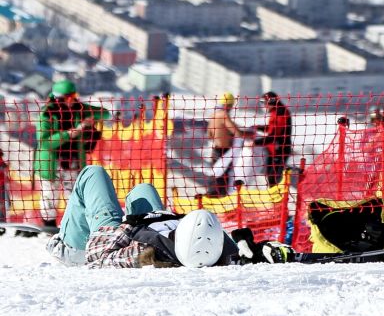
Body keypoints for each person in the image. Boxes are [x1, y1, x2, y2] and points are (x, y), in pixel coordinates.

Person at [45, 164, 238, 268]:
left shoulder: (146, 250)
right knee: (144, 190)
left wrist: (126, 225)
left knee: (92, 173)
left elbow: (100, 258)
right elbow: (236, 251)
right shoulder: (219, 248)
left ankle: (67, 246)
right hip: (145, 229)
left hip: (99, 243)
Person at [33, 80, 111, 228]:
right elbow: (45, 142)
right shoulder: (46, 114)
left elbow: (105, 113)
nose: (72, 100)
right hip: (50, 163)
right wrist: (71, 133)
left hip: (73, 159)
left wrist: (92, 119)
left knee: (74, 195)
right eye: (69, 97)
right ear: (59, 98)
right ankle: (49, 226)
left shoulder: (80, 108)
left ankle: (74, 226)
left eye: (74, 96)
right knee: (49, 196)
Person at [207, 92, 253, 196]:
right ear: (228, 105)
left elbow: (210, 135)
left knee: (216, 176)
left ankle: (212, 197)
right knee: (222, 179)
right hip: (224, 151)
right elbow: (237, 132)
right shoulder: (224, 115)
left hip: (215, 150)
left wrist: (222, 135)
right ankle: (219, 200)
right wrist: (251, 134)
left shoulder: (213, 115)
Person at [254, 92, 292, 187]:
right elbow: (272, 128)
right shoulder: (275, 111)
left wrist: (255, 143)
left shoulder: (280, 113)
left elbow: (274, 136)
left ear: (271, 102)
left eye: (264, 102)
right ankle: (273, 197)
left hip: (280, 150)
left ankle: (277, 200)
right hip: (273, 149)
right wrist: (257, 127)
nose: (264, 106)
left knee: (273, 178)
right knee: (270, 175)